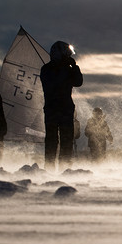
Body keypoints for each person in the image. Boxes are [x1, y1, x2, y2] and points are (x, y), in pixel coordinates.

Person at [40, 41, 83, 171]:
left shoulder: (51, 68)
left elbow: (78, 82)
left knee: (65, 141)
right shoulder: (48, 69)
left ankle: (64, 168)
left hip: (58, 109)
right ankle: (53, 168)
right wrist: (69, 68)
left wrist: (74, 68)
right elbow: (58, 83)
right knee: (54, 141)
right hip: (58, 109)